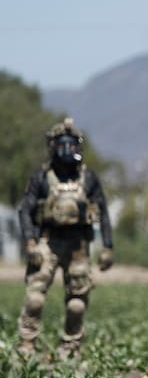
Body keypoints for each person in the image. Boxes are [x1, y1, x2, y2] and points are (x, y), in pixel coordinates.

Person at [16, 118, 114, 359]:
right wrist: (30, 243)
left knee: (77, 303)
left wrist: (107, 248)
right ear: (52, 146)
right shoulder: (41, 178)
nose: (66, 150)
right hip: (47, 242)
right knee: (35, 298)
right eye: (61, 145)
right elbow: (25, 211)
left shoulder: (88, 178)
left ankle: (70, 346)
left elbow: (103, 212)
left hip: (79, 245)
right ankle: (27, 345)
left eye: (71, 145)